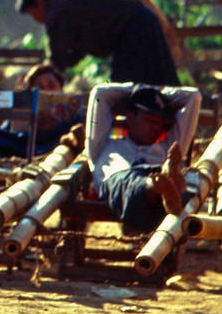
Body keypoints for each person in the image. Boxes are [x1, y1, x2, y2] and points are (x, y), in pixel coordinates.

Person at [85, 83, 201, 234]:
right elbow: (100, 93)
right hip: (121, 182)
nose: (156, 127)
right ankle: (156, 186)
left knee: (166, 175)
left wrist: (156, 92)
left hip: (157, 177)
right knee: (128, 182)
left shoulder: (167, 148)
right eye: (149, 120)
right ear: (130, 117)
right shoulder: (103, 145)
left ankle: (164, 186)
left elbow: (193, 96)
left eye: (160, 123)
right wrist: (137, 89)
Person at [15, 0, 177, 85]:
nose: (35, 19)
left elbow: (58, 57)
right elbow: (73, 54)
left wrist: (37, 75)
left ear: (39, 3)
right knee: (159, 78)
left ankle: (125, 136)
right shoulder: (66, 3)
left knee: (124, 89)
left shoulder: (57, 11)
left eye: (32, 14)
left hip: (133, 27)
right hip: (142, 19)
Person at [0, 63, 84, 158]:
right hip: (22, 146)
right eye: (38, 88)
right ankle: (0, 169)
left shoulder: (74, 115)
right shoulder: (22, 109)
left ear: (61, 89)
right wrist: (32, 123)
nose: (46, 91)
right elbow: (6, 132)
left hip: (55, 146)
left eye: (51, 86)